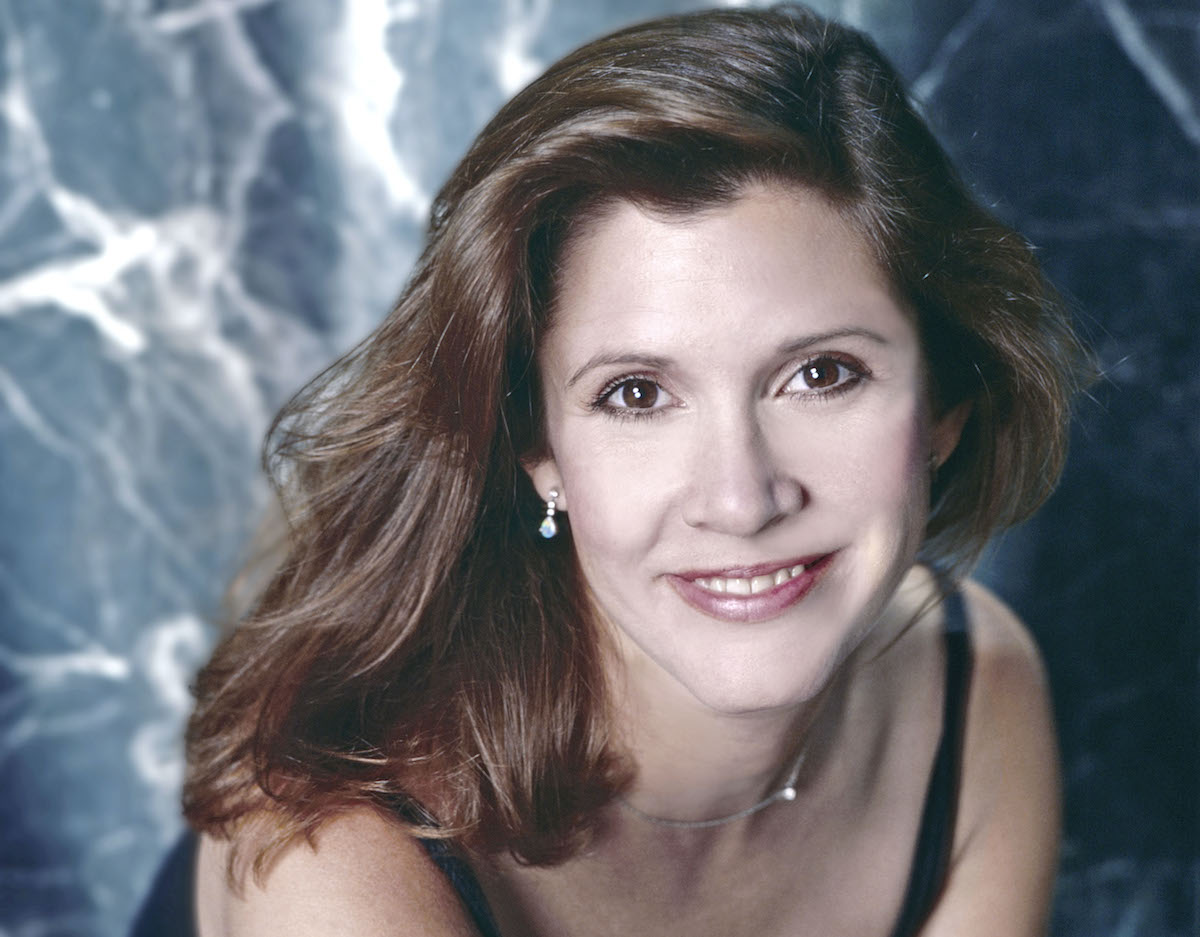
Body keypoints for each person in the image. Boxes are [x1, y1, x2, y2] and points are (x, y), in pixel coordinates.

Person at [137, 5, 1092, 935]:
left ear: (946, 406)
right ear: (536, 447)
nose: (741, 498)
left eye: (821, 374)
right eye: (636, 394)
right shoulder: (335, 838)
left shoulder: (975, 686)